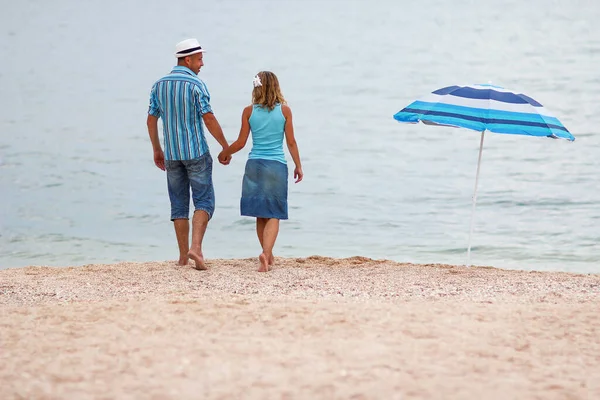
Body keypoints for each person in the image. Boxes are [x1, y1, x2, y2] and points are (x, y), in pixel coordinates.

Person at [147, 38, 231, 270]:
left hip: (172, 155)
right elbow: (209, 118)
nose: (202, 63)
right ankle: (196, 248)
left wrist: (157, 148)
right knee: (204, 201)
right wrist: (225, 145)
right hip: (196, 153)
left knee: (179, 204)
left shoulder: (159, 85)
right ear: (187, 59)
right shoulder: (196, 85)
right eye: (199, 58)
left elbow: (151, 119)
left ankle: (183, 257)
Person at [219, 71, 303, 272]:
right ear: (276, 87)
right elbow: (290, 141)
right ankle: (266, 254)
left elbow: (240, 143)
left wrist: (225, 152)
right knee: (274, 212)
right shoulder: (285, 111)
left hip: (255, 165)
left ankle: (267, 254)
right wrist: (298, 165)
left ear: (256, 87)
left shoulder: (248, 111)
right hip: (276, 165)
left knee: (260, 213)